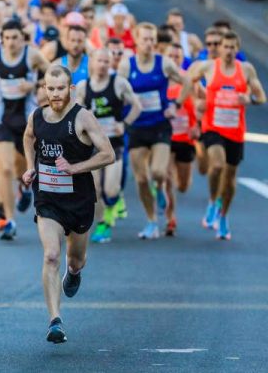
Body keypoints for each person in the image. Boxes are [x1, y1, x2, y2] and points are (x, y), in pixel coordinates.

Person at [21, 65, 115, 344]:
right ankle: (55, 321)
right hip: (47, 199)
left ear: (70, 89)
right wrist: (30, 168)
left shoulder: (82, 117)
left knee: (75, 260)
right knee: (51, 255)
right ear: (44, 89)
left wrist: (76, 168)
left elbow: (108, 154)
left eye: (60, 88)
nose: (55, 94)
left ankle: (73, 272)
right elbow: (28, 138)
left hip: (79, 201)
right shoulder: (37, 116)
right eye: (50, 88)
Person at [188, 31, 266, 239]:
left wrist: (248, 98)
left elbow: (261, 97)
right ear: (219, 48)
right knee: (217, 166)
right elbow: (189, 79)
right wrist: (198, 100)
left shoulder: (246, 70)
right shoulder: (209, 67)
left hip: (236, 131)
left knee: (230, 179)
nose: (229, 51)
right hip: (212, 127)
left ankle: (223, 216)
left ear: (237, 49)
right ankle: (213, 201)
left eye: (233, 47)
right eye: (226, 46)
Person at [117, 23, 188, 240]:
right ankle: (151, 221)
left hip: (159, 126)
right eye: (145, 39)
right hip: (137, 127)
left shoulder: (164, 63)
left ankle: (161, 190)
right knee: (140, 179)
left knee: (158, 172)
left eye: (152, 39)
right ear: (136, 41)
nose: (149, 43)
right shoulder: (126, 66)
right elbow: (117, 91)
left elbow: (187, 82)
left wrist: (175, 104)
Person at [0, 19, 50, 240]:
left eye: (15, 37)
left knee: (25, 169)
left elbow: (52, 75)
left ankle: (23, 188)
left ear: (22, 39)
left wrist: (33, 86)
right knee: (4, 169)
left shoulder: (32, 55)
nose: (11, 42)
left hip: (26, 121)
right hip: (2, 119)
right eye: (7, 38)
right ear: (2, 39)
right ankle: (9, 219)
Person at [76, 48, 142, 244]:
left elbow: (137, 106)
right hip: (93, 146)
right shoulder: (83, 87)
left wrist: (125, 123)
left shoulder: (119, 83)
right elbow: (76, 114)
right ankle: (103, 222)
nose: (103, 65)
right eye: (100, 61)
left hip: (114, 145)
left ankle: (114, 202)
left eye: (107, 61)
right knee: (94, 189)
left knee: (111, 190)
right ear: (92, 63)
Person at [162, 43, 198, 236]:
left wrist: (197, 125)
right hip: (166, 136)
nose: (175, 59)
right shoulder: (160, 79)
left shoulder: (188, 80)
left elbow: (201, 103)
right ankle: (170, 218)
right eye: (171, 56)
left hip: (185, 137)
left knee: (182, 186)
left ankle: (177, 185)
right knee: (167, 179)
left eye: (178, 56)